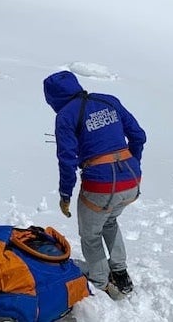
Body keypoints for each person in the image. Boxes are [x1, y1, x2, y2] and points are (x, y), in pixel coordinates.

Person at [43, 70, 146, 297]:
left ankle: (99, 282)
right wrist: (133, 163)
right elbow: (138, 135)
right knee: (108, 221)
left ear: (52, 99)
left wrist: (65, 195)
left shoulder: (65, 117)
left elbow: (67, 160)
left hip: (101, 184)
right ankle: (120, 272)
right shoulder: (108, 100)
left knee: (90, 234)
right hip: (131, 179)